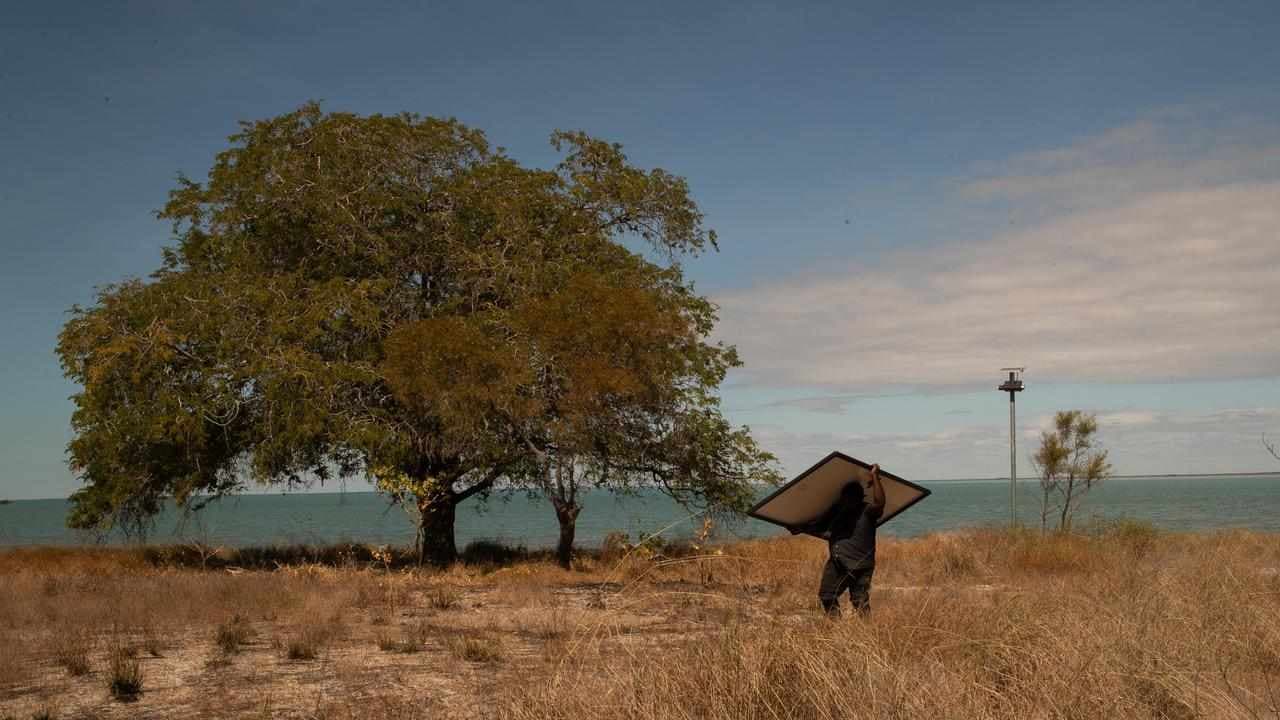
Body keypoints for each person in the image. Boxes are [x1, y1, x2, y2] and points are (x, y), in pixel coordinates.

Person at [804, 463, 886, 617]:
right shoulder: (839, 513)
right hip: (838, 562)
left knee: (859, 600)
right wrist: (801, 528)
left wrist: (875, 476)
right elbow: (827, 533)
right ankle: (836, 627)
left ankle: (868, 632)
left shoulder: (868, 512)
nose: (848, 502)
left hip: (859, 564)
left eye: (852, 498)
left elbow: (880, 503)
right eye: (846, 498)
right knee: (827, 595)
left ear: (860, 498)